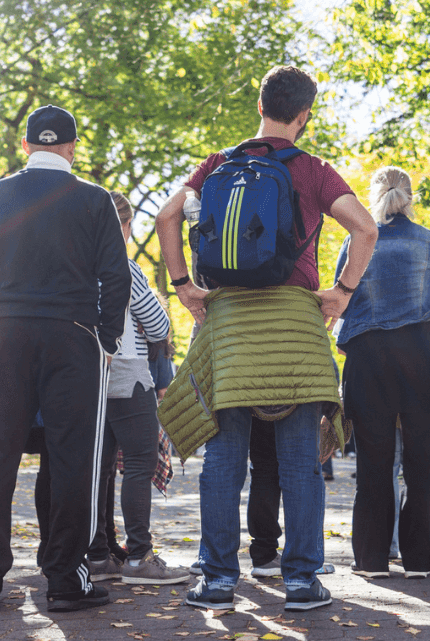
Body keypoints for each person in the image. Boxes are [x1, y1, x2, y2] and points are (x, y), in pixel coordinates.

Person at [156, 65, 378, 612]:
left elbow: (165, 218)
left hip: (230, 327)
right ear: (304, 115)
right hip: (295, 328)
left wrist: (184, 287)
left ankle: (217, 580)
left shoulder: (218, 164)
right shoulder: (314, 171)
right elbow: (366, 228)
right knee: (300, 463)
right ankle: (301, 581)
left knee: (224, 461)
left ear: (260, 105)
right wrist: (342, 293)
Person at [0, 104, 131, 612]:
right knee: (75, 461)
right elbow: (116, 276)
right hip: (72, 336)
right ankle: (65, 579)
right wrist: (107, 341)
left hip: (6, 331)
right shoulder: (95, 199)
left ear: (27, 145)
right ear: (72, 147)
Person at [334, 166, 430, 579]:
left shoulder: (356, 242)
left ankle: (372, 560)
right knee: (423, 465)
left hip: (369, 361)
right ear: (411, 197)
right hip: (423, 361)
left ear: (372, 198)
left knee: (374, 465)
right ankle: (419, 561)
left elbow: (341, 306)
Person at [84, 191, 188, 585]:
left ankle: (98, 556)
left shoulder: (77, 266)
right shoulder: (126, 268)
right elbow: (159, 326)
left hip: (89, 375)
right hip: (128, 372)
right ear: (125, 227)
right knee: (141, 462)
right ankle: (139, 557)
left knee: (100, 469)